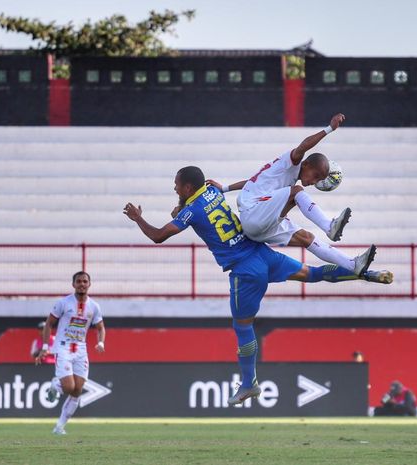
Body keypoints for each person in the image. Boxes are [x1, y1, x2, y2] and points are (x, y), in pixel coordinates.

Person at [123, 166, 393, 405]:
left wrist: (138, 218)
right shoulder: (213, 193)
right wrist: (183, 205)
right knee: (313, 273)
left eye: (177, 184)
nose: (174, 187)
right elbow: (213, 196)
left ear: (188, 187)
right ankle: (366, 273)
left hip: (244, 271)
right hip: (263, 254)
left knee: (243, 327)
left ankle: (249, 383)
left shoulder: (190, 211)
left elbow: (158, 236)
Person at [207, 113, 386, 280]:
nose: (314, 182)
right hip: (253, 213)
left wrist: (223, 188)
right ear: (305, 164)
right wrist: (329, 129)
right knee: (296, 191)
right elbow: (303, 145)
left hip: (259, 225)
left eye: (319, 180)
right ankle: (329, 226)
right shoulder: (291, 163)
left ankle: (352, 264)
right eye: (315, 175)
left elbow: (251, 182)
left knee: (306, 237)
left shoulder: (277, 177)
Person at [35, 271, 106, 435]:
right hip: (63, 347)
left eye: (85, 281)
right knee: (69, 387)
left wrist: (101, 342)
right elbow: (48, 324)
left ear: (89, 284)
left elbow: (101, 327)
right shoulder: (63, 303)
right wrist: (45, 348)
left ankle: (59, 427)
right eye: (79, 281)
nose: (82, 284)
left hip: (81, 348)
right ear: (73, 284)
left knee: (77, 390)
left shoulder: (94, 306)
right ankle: (55, 385)